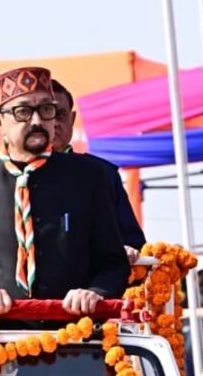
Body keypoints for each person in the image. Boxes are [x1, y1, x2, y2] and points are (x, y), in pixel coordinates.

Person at [0, 66, 129, 315]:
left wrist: (95, 292)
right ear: (0, 122)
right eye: (23, 111)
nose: (37, 121)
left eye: (46, 109)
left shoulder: (88, 177)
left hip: (75, 332)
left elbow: (114, 264)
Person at [50, 79, 144, 263]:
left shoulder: (102, 173)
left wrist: (127, 250)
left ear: (72, 119)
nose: (54, 123)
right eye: (47, 113)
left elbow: (133, 242)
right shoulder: (13, 177)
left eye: (60, 115)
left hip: (94, 279)